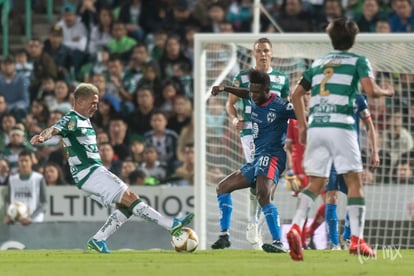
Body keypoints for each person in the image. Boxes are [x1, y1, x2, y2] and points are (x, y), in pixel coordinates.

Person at [30, 82, 194, 253]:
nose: (96, 106)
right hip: (89, 172)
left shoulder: (84, 120)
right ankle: (171, 225)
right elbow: (54, 129)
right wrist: (42, 137)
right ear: (79, 101)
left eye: (97, 102)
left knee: (125, 206)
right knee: (130, 196)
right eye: (92, 103)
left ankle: (98, 240)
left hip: (92, 172)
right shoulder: (72, 118)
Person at [287, 18, 394, 261]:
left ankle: (295, 227)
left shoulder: (319, 62)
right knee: (355, 182)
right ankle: (357, 240)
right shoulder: (358, 61)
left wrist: (302, 126)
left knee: (315, 184)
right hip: (341, 126)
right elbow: (370, 90)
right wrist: (388, 91)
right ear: (354, 39)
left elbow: (296, 94)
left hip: (317, 126)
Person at [210, 69, 295, 253]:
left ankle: (278, 242)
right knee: (222, 187)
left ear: (267, 90)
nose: (253, 96)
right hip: (257, 158)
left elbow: (302, 116)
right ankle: (224, 235)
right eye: (251, 91)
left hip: (273, 155)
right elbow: (243, 93)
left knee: (263, 193)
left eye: (257, 92)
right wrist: (225, 88)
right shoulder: (252, 96)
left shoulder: (281, 105)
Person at [226, 37, 290, 249]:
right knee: (259, 180)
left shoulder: (282, 79)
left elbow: (287, 108)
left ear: (271, 53)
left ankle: (258, 223)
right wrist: (235, 119)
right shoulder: (243, 77)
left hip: (275, 138)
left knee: (269, 188)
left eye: (266, 50)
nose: (262, 54)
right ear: (254, 54)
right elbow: (231, 104)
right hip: (250, 134)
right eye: (259, 51)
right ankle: (253, 223)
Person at [306, 94, 381, 250]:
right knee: (331, 196)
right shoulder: (327, 98)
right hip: (330, 155)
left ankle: (347, 237)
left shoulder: (358, 99)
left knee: (354, 195)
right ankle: (334, 243)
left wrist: (375, 151)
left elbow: (369, 125)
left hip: (350, 154)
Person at [4, 150, 47, 225]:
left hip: (34, 221)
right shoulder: (12, 179)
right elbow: (8, 201)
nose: (24, 163)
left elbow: (44, 203)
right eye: (21, 160)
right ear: (18, 162)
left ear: (31, 162)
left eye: (26, 160)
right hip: (17, 221)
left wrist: (31, 217)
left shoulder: (39, 178)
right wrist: (9, 215)